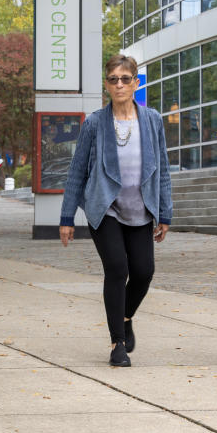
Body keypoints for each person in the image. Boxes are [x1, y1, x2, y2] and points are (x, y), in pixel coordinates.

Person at [59, 54, 172, 367]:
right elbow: (77, 171)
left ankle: (125, 316)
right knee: (117, 269)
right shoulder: (95, 122)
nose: (120, 84)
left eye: (126, 79)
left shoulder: (152, 120)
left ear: (136, 83)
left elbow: (162, 169)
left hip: (141, 210)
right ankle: (117, 344)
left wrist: (165, 213)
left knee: (144, 271)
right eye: (113, 79)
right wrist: (67, 217)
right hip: (105, 209)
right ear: (107, 85)